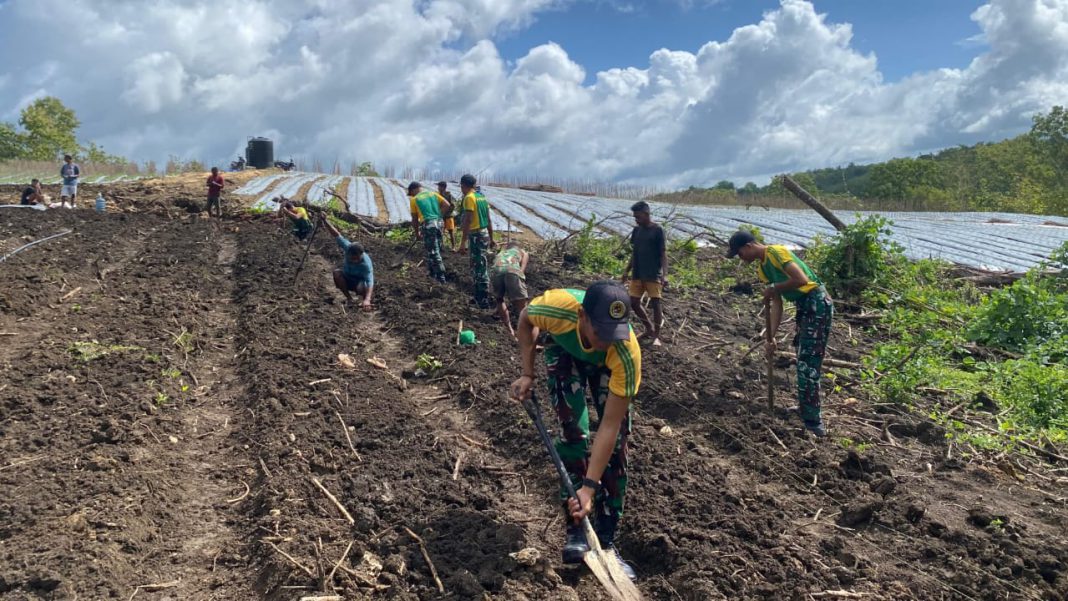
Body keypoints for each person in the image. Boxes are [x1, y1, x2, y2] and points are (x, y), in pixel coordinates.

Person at [510, 281, 640, 581]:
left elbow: (609, 426)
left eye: (614, 333)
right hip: (564, 352)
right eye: (601, 332)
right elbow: (525, 319)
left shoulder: (625, 351)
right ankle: (577, 530)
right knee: (573, 432)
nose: (607, 340)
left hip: (606, 368)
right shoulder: (555, 308)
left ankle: (605, 541)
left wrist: (590, 486)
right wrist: (527, 373)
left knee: (618, 442)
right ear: (582, 315)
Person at [726, 229, 833, 437]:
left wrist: (775, 287)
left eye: (740, 253)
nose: (741, 258)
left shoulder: (776, 252)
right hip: (805, 306)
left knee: (808, 361)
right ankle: (806, 409)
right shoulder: (763, 269)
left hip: (817, 302)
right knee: (803, 357)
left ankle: (813, 421)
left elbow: (801, 279)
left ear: (748, 246)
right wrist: (771, 337)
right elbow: (777, 304)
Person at [621, 201, 667, 346]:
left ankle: (656, 336)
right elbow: (634, 253)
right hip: (638, 273)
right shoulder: (637, 231)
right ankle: (649, 328)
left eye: (638, 217)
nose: (636, 220)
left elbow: (663, 254)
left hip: (653, 274)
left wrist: (665, 275)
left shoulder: (658, 230)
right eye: (635, 217)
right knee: (634, 303)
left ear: (646, 214)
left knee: (655, 303)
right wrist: (626, 271)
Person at [322, 216, 374, 311]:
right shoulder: (347, 247)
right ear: (348, 253)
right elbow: (336, 234)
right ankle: (349, 299)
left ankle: (364, 302)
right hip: (347, 277)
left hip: (359, 282)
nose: (354, 261)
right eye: (352, 258)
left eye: (357, 258)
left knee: (362, 287)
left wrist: (367, 299)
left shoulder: (366, 264)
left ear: (361, 255)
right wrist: (325, 221)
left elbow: (370, 281)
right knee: (337, 273)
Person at [458, 174, 495, 308]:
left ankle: (483, 298)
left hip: (476, 235)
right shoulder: (481, 198)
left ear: (463, 185)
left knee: (478, 266)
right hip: (484, 233)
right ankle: (480, 296)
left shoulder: (469, 198)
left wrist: (463, 242)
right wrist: (491, 238)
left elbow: (467, 220)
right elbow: (489, 219)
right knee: (480, 264)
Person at [408, 181, 451, 284]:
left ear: (413, 190)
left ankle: (441, 279)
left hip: (428, 224)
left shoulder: (415, 199)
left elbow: (414, 219)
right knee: (435, 248)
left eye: (411, 193)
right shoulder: (433, 194)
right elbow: (447, 205)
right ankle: (432, 274)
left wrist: (417, 232)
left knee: (433, 251)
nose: (411, 196)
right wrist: (438, 216)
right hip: (439, 223)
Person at [491, 241, 530, 339]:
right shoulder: (522, 251)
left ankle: (510, 330)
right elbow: (522, 269)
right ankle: (526, 334)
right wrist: (520, 276)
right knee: (523, 307)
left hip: (496, 271)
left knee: (499, 299)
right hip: (513, 271)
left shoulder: (501, 253)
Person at [437, 181, 458, 250]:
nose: (438, 188)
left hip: (448, 216)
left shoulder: (448, 195)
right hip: (440, 217)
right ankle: (441, 246)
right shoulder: (438, 195)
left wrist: (447, 212)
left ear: (443, 187)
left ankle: (453, 247)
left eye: (439, 186)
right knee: (440, 232)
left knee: (451, 231)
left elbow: (452, 206)